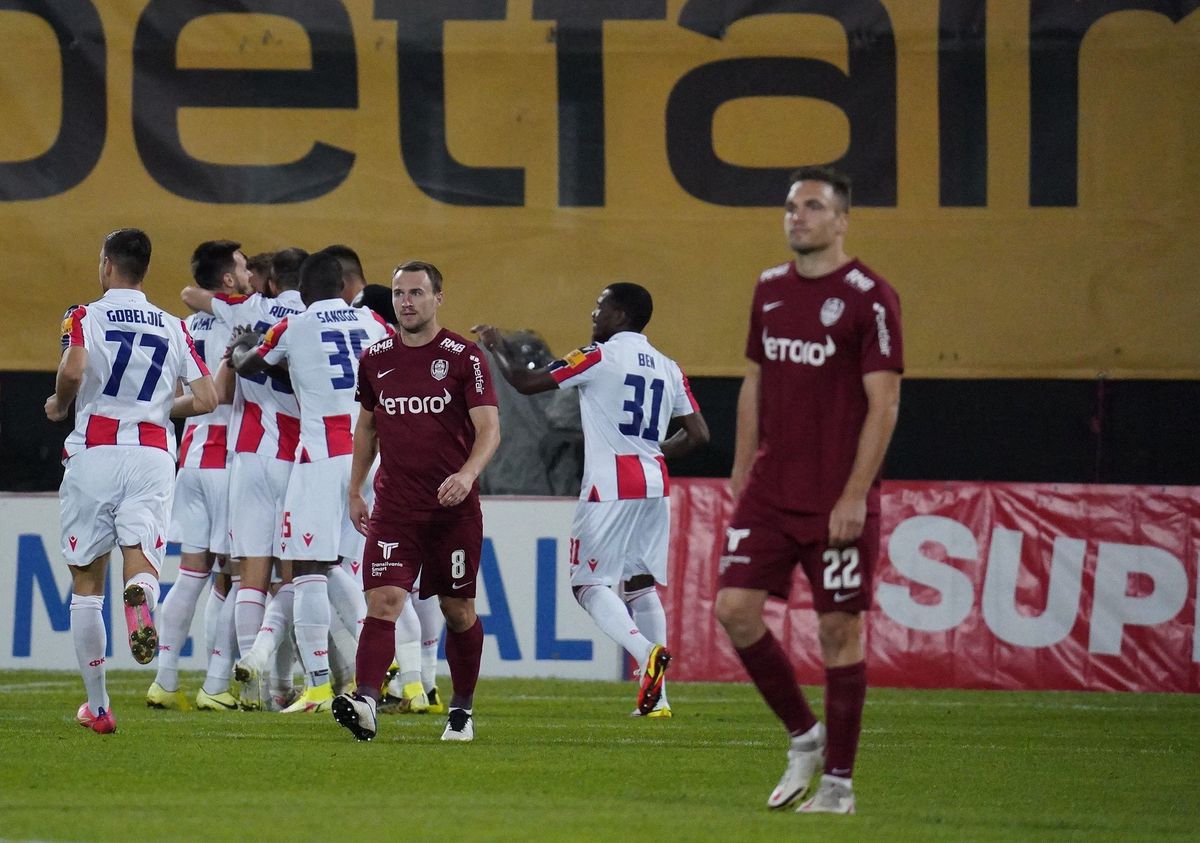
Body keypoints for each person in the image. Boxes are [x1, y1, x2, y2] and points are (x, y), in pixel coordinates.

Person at [714, 166, 903, 815]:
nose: (798, 216)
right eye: (792, 206)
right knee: (733, 609)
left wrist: (856, 492)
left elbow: (884, 403)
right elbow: (754, 380)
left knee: (837, 631)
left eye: (813, 206)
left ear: (842, 219)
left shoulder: (869, 297)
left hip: (835, 496)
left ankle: (840, 785)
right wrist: (742, 466)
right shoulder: (769, 289)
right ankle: (804, 735)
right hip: (771, 488)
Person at [474, 282, 709, 716]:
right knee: (640, 584)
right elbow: (699, 434)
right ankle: (660, 697)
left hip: (610, 485)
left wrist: (498, 346)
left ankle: (645, 653)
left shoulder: (598, 356)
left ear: (620, 315)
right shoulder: (669, 367)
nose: (593, 314)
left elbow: (526, 383)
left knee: (588, 585)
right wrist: (653, 453)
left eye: (601, 307)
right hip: (655, 485)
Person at [46, 228, 217, 733]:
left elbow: (74, 372)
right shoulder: (172, 325)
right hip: (152, 453)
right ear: (144, 270)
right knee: (140, 561)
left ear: (106, 264)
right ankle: (142, 591)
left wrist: (58, 405)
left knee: (85, 583)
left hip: (96, 450)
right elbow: (206, 398)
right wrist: (164, 407)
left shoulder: (84, 316)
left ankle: (98, 707)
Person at [332, 260, 499, 743]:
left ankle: (462, 710)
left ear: (437, 298)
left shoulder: (464, 356)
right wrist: (355, 488)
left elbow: (489, 428)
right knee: (382, 601)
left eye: (417, 293)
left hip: (452, 509)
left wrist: (468, 475)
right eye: (401, 293)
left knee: (457, 610)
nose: (406, 301)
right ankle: (365, 701)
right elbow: (367, 426)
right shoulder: (377, 357)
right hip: (395, 508)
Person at [233, 251, 391, 714]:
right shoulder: (374, 324)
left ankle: (319, 687)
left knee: (306, 571)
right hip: (371, 459)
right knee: (342, 567)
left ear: (302, 292)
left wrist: (245, 344)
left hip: (319, 458)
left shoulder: (294, 326)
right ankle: (382, 665)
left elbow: (250, 364)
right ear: (345, 286)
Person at [182, 247, 308, 710]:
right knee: (296, 577)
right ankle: (284, 683)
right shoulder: (311, 319)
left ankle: (245, 689)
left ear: (270, 280)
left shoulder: (247, 309)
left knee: (247, 578)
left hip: (247, 456)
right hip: (298, 458)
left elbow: (195, 295)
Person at [147, 239, 251, 712]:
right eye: (244, 268)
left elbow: (167, 397)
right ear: (227, 279)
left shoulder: (184, 328)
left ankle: (165, 682)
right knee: (234, 577)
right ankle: (215, 683)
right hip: (231, 463)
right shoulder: (242, 321)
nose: (250, 275)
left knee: (191, 575)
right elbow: (227, 395)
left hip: (190, 461)